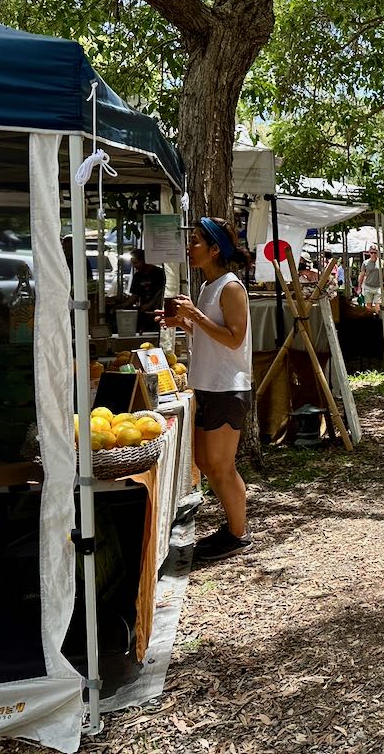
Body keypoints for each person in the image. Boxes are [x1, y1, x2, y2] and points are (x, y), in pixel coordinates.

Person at [158, 217, 253, 562]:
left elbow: (235, 338)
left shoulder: (230, 287)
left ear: (215, 249)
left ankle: (238, 534)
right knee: (205, 461)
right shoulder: (207, 287)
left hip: (228, 387)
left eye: (196, 241)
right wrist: (185, 323)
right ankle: (232, 528)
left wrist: (195, 316)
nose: (190, 246)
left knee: (221, 465)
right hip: (209, 385)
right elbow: (211, 338)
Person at [123, 248, 166, 330]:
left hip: (159, 310)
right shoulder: (137, 276)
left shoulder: (160, 273)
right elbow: (135, 295)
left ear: (144, 260)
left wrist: (150, 305)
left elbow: (161, 293)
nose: (134, 266)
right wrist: (123, 305)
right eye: (133, 264)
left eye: (136, 263)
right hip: (144, 311)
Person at [358, 245, 384, 311]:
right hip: (368, 286)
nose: (373, 254)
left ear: (377, 253)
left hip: (378, 287)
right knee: (368, 307)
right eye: (372, 252)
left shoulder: (382, 262)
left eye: (375, 252)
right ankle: (370, 319)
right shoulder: (365, 263)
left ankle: (377, 318)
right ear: (369, 253)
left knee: (377, 306)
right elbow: (362, 275)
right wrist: (359, 287)